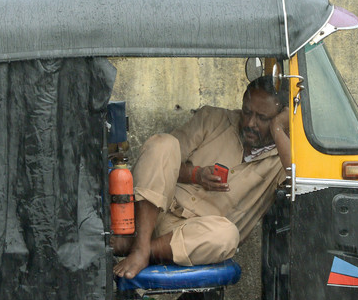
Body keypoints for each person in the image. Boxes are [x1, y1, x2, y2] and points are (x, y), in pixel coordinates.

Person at [112, 76, 291, 280]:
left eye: (263, 118)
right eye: (247, 112)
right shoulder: (213, 118)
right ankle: (141, 246)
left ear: (281, 116)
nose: (251, 123)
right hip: (153, 211)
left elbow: (300, 182)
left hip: (193, 236)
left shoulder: (284, 157)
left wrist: (278, 129)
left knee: (227, 235)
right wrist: (195, 174)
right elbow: (161, 160)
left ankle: (139, 248)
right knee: (163, 143)